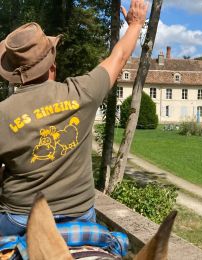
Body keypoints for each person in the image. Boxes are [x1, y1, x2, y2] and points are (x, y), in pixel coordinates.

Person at [0, 0, 148, 236]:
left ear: (15, 76)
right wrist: (136, 23)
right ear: (52, 65)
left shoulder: (3, 114)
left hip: (20, 220)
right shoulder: (81, 93)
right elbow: (118, 57)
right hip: (79, 214)